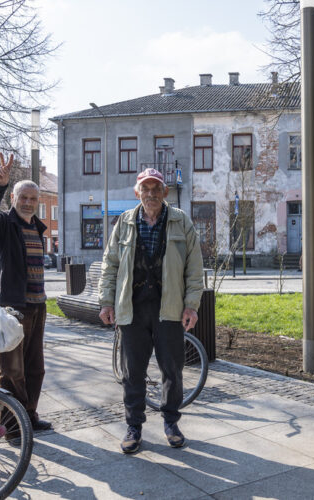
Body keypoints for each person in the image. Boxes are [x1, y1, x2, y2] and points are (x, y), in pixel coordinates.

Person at [99, 168, 204, 454]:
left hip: (169, 307)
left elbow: (194, 269)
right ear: (138, 193)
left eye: (156, 188)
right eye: (145, 189)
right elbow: (110, 265)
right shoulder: (125, 222)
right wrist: (106, 302)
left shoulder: (181, 221)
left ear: (164, 192)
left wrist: (191, 305)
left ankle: (171, 422)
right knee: (133, 372)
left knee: (173, 370)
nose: (151, 193)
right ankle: (134, 427)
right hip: (132, 308)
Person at [0, 153, 52, 439]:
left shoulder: (37, 228)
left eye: (33, 198)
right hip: (12, 309)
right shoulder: (3, 226)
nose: (29, 202)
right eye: (24, 197)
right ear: (14, 199)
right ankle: (11, 424)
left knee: (35, 368)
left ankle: (29, 416)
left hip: (38, 307)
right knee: (12, 371)